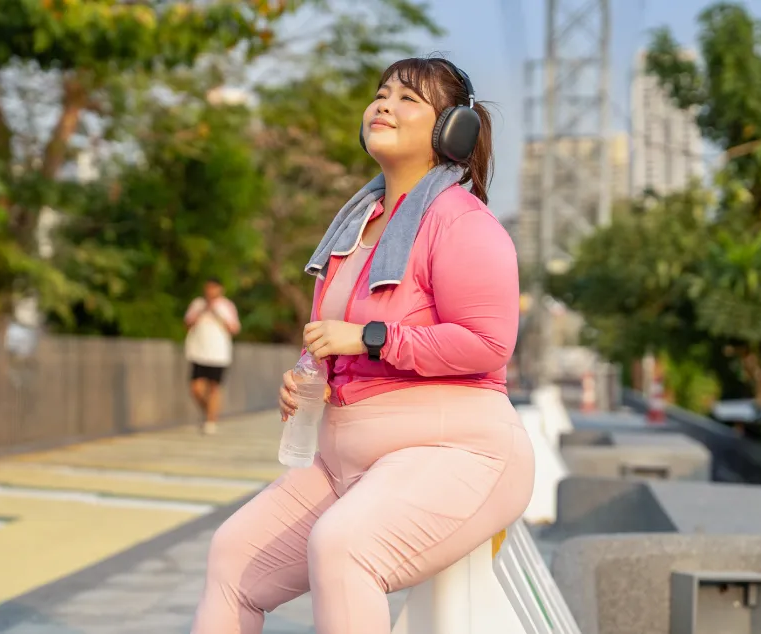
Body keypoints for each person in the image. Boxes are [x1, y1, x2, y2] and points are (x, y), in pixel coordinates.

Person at [191, 57, 535, 634]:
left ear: (452, 130)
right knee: (233, 556)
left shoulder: (461, 222)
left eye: (408, 99)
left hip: (457, 452)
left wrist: (373, 338)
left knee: (343, 546)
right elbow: (339, 343)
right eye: (380, 94)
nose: (383, 105)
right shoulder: (356, 228)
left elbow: (488, 344)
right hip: (345, 458)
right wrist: (314, 381)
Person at [184, 277, 241, 435]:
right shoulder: (198, 304)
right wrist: (203, 310)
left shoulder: (226, 305)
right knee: (196, 388)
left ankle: (210, 420)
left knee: (214, 388)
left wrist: (217, 312)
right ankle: (209, 412)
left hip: (218, 354)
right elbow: (187, 323)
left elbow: (234, 328)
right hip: (198, 352)